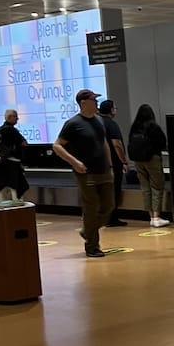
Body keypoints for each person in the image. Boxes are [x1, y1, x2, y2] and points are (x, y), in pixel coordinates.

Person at [52, 90, 114, 258]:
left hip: (104, 171)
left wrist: (110, 164)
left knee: (109, 206)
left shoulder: (99, 120)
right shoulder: (73, 124)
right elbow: (57, 146)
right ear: (83, 102)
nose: (96, 103)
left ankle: (87, 230)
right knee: (91, 208)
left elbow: (103, 143)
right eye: (93, 100)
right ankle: (92, 246)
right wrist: (74, 162)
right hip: (86, 174)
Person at [127, 104, 168, 228]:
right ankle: (156, 217)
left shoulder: (134, 127)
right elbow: (162, 142)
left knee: (145, 188)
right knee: (156, 186)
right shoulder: (152, 126)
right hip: (152, 159)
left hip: (138, 161)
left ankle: (150, 217)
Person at [98, 100, 128, 226]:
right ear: (111, 110)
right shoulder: (111, 124)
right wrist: (124, 161)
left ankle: (103, 217)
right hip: (114, 163)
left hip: (100, 162)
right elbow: (117, 144)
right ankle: (112, 218)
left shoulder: (96, 123)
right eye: (115, 108)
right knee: (114, 190)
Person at [0, 109, 29, 201]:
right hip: (12, 163)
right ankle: (17, 209)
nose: (17, 119)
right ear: (10, 117)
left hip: (0, 163)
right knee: (15, 188)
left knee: (2, 189)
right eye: (15, 116)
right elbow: (24, 143)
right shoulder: (12, 130)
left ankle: (3, 209)